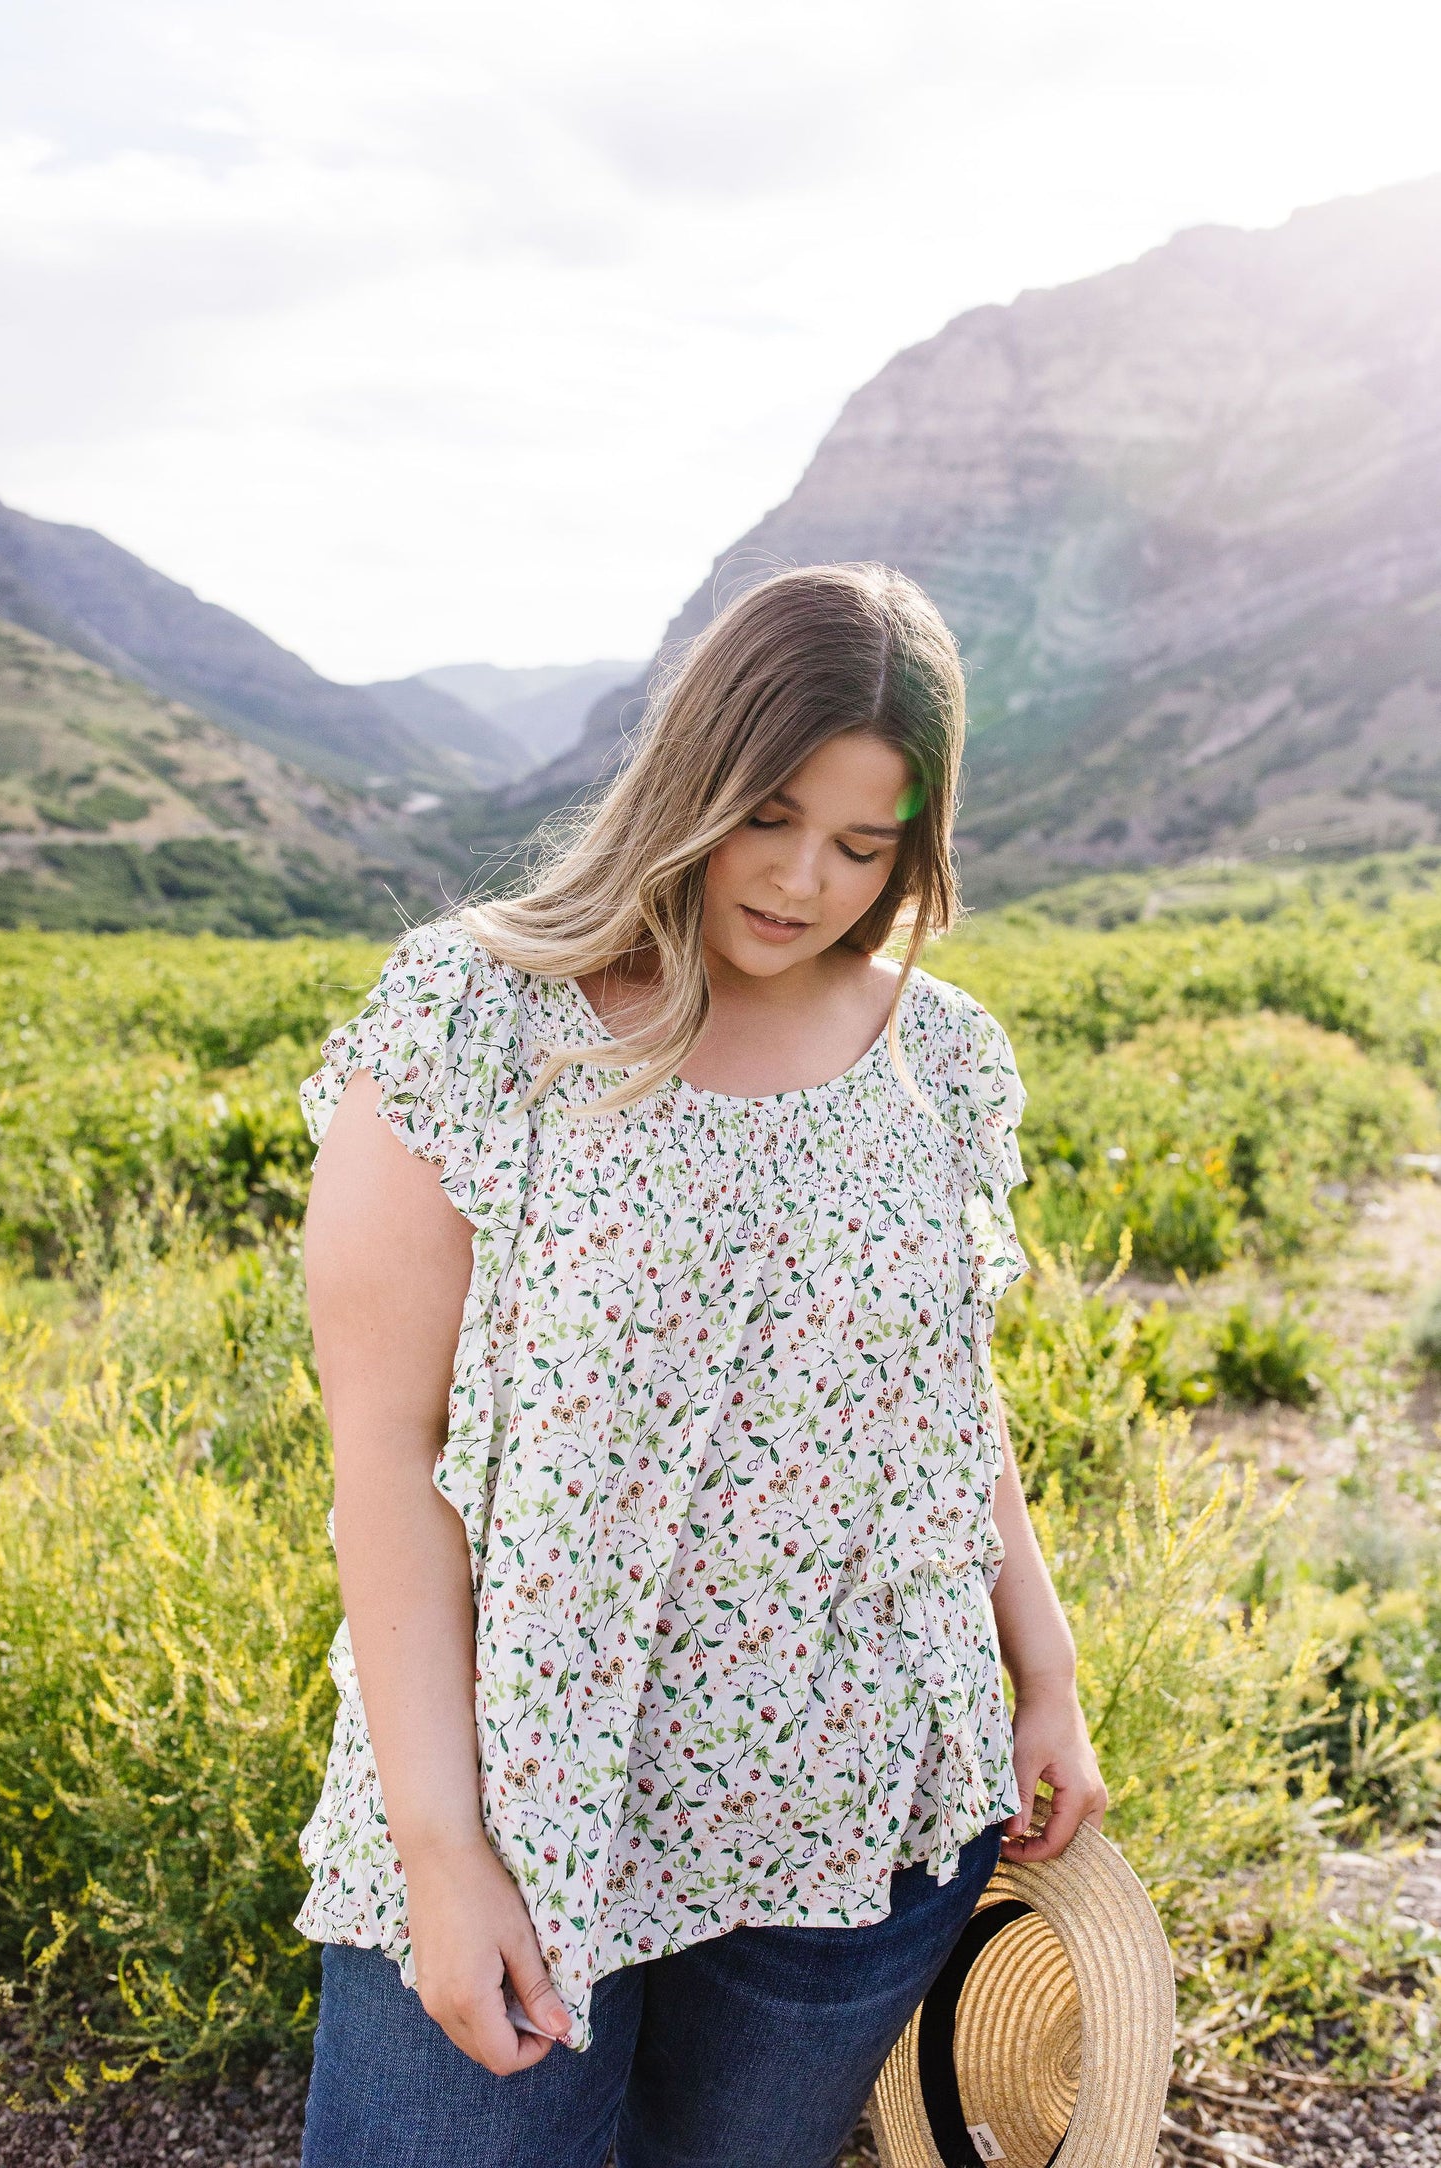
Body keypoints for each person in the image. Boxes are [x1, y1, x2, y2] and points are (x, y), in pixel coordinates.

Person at [295, 563, 1107, 2168]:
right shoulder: (475, 1018)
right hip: (536, 1803)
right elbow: (382, 1460)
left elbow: (938, 1397)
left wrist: (1047, 1672)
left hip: (855, 1805)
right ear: (692, 775)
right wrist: (445, 1857)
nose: (806, 879)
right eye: (770, 815)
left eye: (864, 845)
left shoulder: (938, 1053)